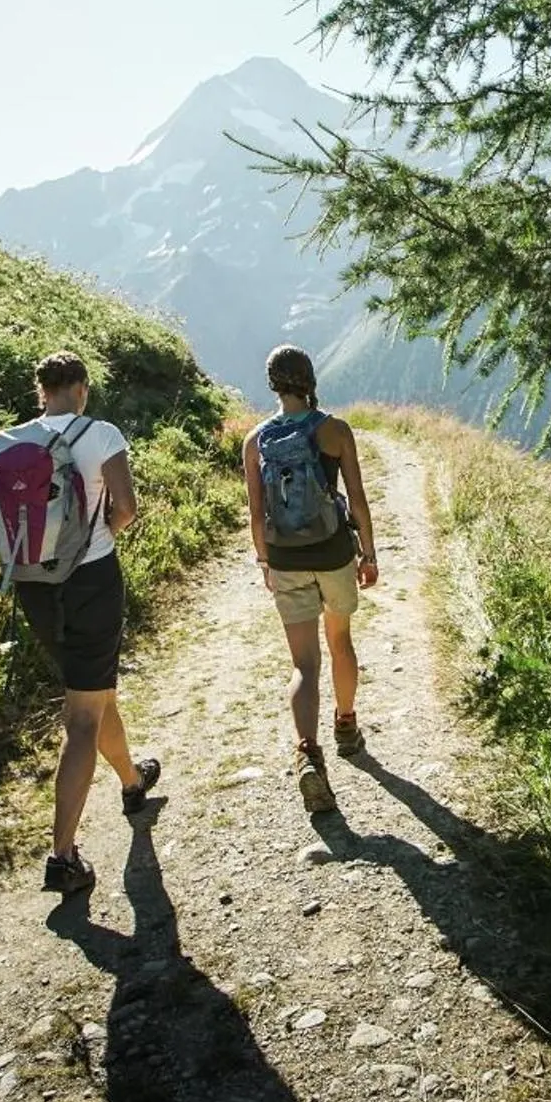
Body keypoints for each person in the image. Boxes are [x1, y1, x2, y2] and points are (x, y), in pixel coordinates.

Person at [14, 351, 161, 894]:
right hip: (90, 581)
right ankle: (62, 858)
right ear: (81, 388)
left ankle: (132, 781)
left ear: (41, 391)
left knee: (93, 691)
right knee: (82, 717)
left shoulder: (11, 441)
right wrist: (96, 541)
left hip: (34, 585)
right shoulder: (100, 434)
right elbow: (126, 507)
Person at [242, 344, 378, 813]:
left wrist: (266, 562)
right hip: (334, 553)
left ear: (272, 384)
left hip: (285, 558)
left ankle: (307, 754)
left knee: (303, 664)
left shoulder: (255, 441)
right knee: (340, 642)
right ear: (309, 379)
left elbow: (256, 514)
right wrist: (369, 553)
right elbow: (357, 498)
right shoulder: (334, 430)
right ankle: (346, 725)